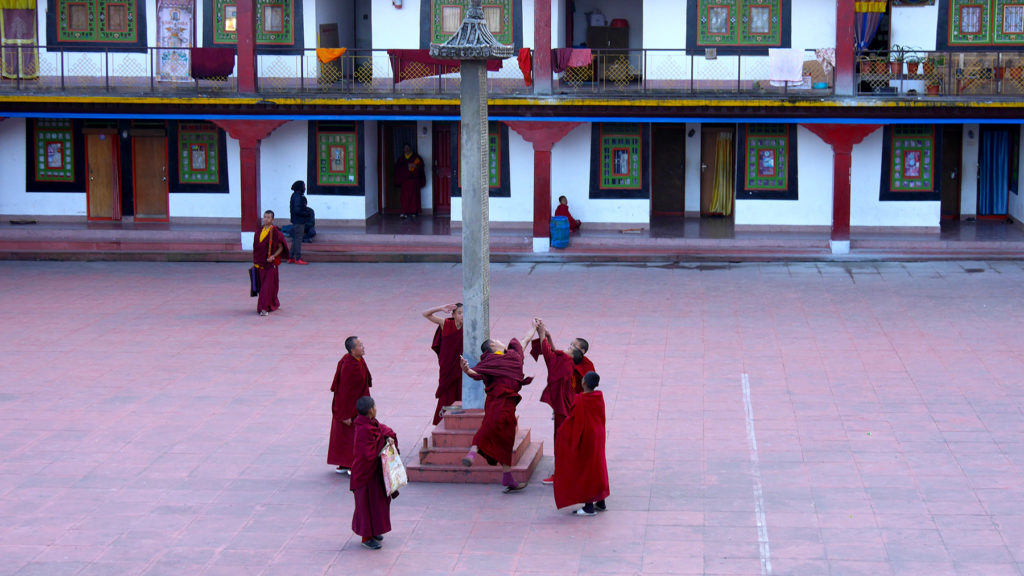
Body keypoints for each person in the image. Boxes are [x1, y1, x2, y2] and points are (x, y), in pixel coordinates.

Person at [459, 320, 537, 493]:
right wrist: (466, 370)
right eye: (498, 339)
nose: (502, 341)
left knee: (505, 437)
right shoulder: (490, 361)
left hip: (507, 405)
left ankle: (507, 477)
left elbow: (525, 340)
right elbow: (476, 373)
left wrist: (533, 328)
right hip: (499, 402)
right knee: (489, 428)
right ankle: (472, 453)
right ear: (493, 346)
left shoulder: (513, 355)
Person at [553, 371, 609, 516]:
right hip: (598, 434)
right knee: (597, 465)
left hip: (587, 437)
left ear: (583, 383)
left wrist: (562, 432)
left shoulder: (580, 400)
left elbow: (574, 421)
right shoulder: (599, 397)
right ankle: (601, 501)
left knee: (586, 470)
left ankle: (589, 506)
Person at [350, 395, 398, 550]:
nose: (376, 409)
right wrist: (384, 445)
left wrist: (389, 438)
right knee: (366, 506)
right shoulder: (362, 429)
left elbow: (383, 431)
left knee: (378, 504)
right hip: (365, 475)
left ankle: (374, 531)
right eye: (375, 407)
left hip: (375, 473)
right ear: (370, 411)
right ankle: (366, 537)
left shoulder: (371, 423)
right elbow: (367, 454)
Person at [534, 319, 577, 486]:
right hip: (566, 407)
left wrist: (541, 335)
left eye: (571, 347)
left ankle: (561, 474)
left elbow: (549, 357)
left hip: (564, 411)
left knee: (561, 442)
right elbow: (555, 354)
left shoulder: (566, 364)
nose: (566, 348)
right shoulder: (568, 362)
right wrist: (548, 337)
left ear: (578, 352)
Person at [328, 336, 372, 475]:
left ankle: (345, 464)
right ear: (352, 350)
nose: (363, 346)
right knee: (351, 437)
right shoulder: (348, 365)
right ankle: (350, 465)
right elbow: (344, 392)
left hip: (358, 404)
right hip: (347, 408)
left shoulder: (358, 360)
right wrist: (345, 415)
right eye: (360, 345)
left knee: (349, 437)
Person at [423, 303, 464, 425]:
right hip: (447, 368)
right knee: (447, 395)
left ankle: (459, 422)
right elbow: (425, 314)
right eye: (459, 313)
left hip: (461, 367)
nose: (462, 316)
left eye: (464, 313)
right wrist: (440, 308)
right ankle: (442, 421)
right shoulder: (445, 323)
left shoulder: (468, 327)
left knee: (460, 394)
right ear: (453, 314)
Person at [252, 210, 289, 317]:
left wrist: (273, 256)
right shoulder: (259, 231)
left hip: (270, 265)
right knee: (264, 287)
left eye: (268, 217)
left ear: (272, 220)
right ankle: (273, 303)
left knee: (266, 288)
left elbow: (281, 247)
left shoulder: (276, 232)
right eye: (265, 217)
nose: (266, 219)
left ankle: (263, 308)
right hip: (260, 264)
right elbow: (256, 248)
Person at [394, 144, 426, 219]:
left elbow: (421, 168)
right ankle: (404, 212)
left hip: (414, 181)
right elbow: (398, 169)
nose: (407, 149)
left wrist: (416, 167)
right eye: (405, 148)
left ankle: (414, 212)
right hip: (405, 182)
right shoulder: (401, 158)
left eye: (408, 148)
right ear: (403, 149)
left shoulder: (416, 158)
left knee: (414, 197)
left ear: (411, 149)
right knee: (404, 197)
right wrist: (406, 167)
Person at [287, 180, 315, 265]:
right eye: (304, 186)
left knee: (295, 239)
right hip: (299, 221)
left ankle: (291, 257)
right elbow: (298, 210)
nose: (305, 188)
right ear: (300, 187)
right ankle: (297, 258)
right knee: (298, 240)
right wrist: (307, 213)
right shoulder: (298, 197)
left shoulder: (295, 196)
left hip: (296, 220)